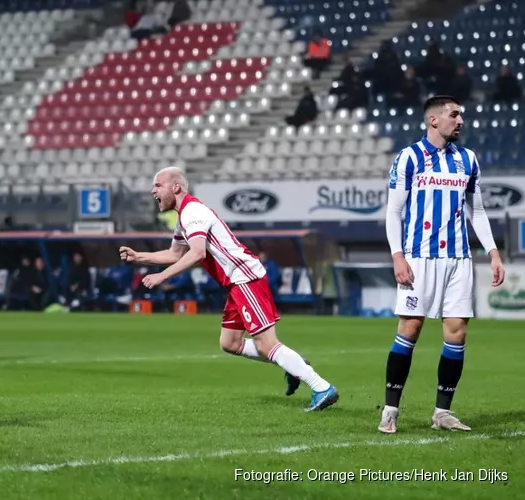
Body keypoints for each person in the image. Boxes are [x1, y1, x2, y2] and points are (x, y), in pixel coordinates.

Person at [119, 167, 339, 411]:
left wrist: (161, 277)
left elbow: (197, 253)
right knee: (230, 343)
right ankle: (293, 364)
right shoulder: (185, 217)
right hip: (236, 283)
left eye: (158, 185)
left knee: (267, 344)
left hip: (246, 278)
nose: (153, 190)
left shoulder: (193, 212)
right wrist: (139, 256)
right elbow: (174, 254)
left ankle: (321, 387)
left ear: (176, 187)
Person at [380, 95, 505, 434]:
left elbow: (476, 211)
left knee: (457, 333)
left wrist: (492, 251)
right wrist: (397, 255)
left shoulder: (467, 159)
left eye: (460, 115)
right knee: (410, 330)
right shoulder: (409, 158)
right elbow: (394, 211)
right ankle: (390, 410)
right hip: (420, 258)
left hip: (459, 259)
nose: (460, 121)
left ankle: (442, 413)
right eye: (454, 115)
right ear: (433, 120)